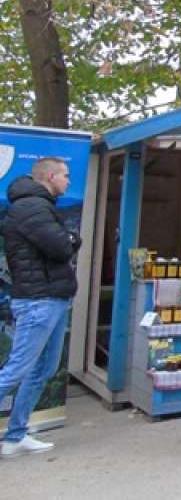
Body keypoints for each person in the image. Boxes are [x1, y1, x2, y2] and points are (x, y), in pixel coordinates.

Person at [0, 158, 80, 458]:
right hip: (39, 300)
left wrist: (70, 239)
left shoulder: (39, 206)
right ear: (49, 176)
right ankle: (16, 434)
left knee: (43, 368)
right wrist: (71, 238)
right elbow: (62, 247)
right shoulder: (33, 208)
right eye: (65, 175)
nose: (69, 181)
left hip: (51, 297)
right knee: (16, 370)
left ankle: (15, 435)